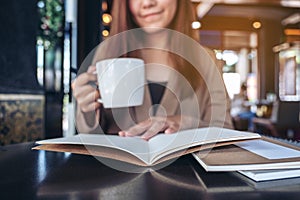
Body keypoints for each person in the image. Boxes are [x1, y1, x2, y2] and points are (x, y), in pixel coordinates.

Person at [72, 0, 233, 140]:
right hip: (119, 171)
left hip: (186, 172)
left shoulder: (205, 59)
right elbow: (90, 136)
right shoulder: (107, 54)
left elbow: (225, 131)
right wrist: (88, 109)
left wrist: (185, 124)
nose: (148, 3)